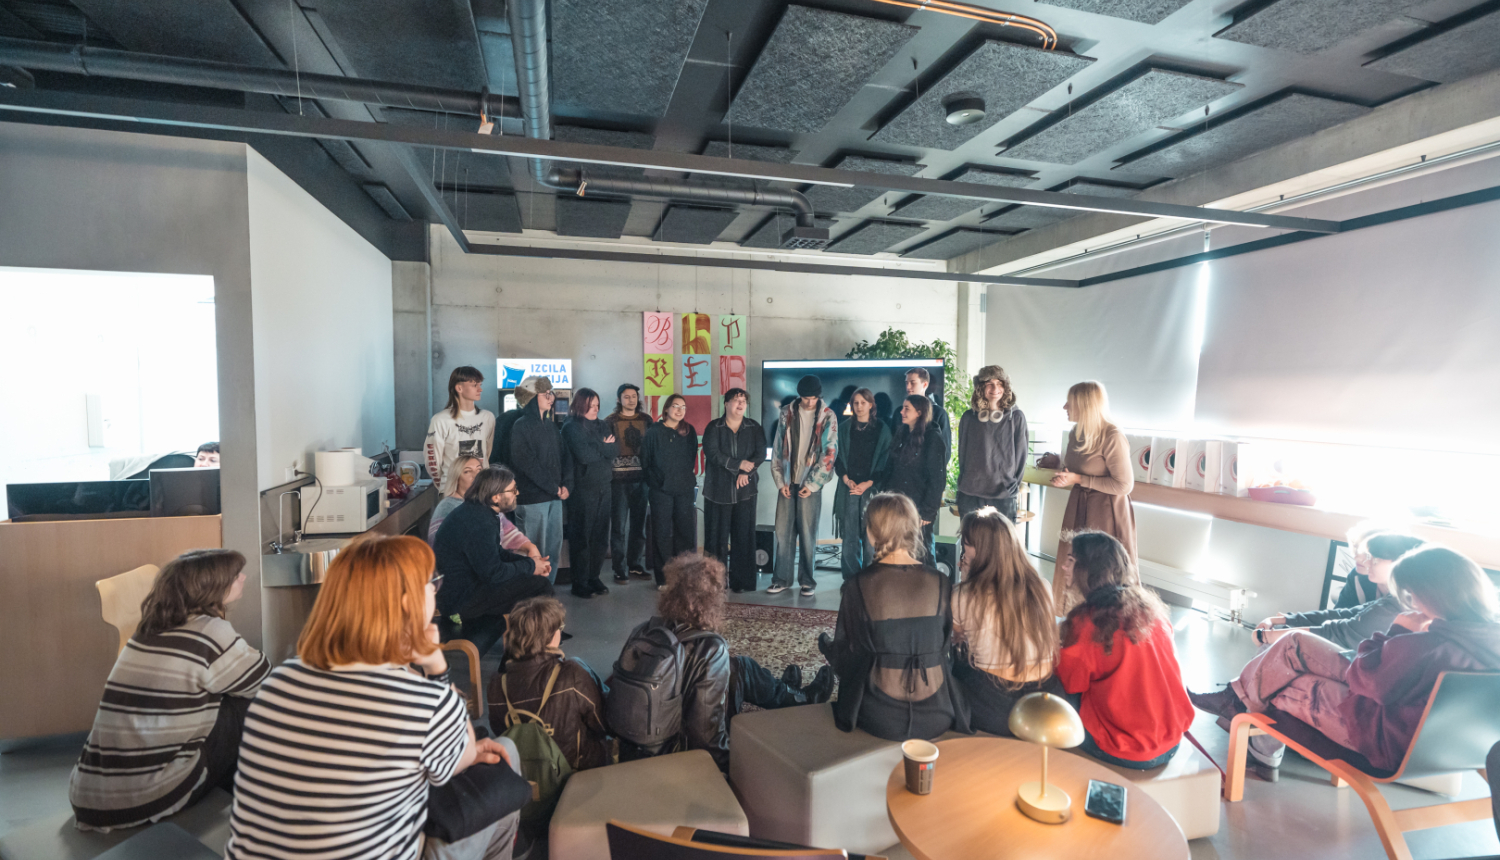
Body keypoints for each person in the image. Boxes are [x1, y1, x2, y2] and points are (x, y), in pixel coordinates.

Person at [226, 536, 527, 860]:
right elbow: (461, 756)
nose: (436, 591)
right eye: (431, 583)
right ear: (405, 603)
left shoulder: (278, 682)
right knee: (505, 752)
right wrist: (437, 667)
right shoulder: (427, 704)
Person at [1190, 545, 1500, 780]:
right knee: (1293, 647)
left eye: (1414, 595)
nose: (1412, 602)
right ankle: (1242, 716)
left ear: (1434, 594)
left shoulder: (1430, 644)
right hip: (1452, 748)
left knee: (1285, 683)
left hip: (1384, 743)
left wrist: (1397, 630)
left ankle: (1243, 722)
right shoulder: (1485, 638)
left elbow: (1369, 680)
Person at [69, 550, 268, 832]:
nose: (243, 578)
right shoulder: (211, 632)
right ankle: (254, 814)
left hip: (89, 795)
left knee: (221, 706)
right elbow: (266, 683)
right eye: (236, 576)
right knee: (248, 709)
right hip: (140, 800)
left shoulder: (147, 630)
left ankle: (227, 798)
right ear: (213, 587)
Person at [612, 552, 833, 773]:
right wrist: (737, 771)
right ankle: (800, 698)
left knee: (736, 667)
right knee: (740, 668)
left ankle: (786, 693)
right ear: (710, 601)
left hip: (637, 752)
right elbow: (706, 738)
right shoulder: (710, 648)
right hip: (679, 759)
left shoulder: (644, 629)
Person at [818, 493, 968, 741]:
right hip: (939, 712)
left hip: (879, 715)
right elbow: (944, 649)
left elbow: (846, 658)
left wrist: (827, 648)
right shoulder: (941, 582)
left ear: (872, 532)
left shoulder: (858, 586)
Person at [1056, 530, 1193, 769]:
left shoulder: (1088, 623)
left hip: (1123, 748)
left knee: (1049, 690)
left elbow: (1070, 683)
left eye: (1070, 560)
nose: (1064, 567)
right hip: (1170, 742)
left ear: (1087, 569)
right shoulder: (1151, 610)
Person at [951, 508, 1061, 736]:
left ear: (982, 550)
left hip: (993, 703)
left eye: (967, 543)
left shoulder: (963, 595)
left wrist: (964, 578)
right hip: (1043, 701)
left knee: (953, 667)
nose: (963, 547)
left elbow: (956, 638)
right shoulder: (1043, 587)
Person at [1039, 381, 1136, 613]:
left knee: (1098, 569)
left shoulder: (1112, 436)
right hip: (1079, 504)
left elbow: (1124, 485)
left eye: (1069, 402)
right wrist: (1064, 474)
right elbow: (1077, 469)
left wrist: (1079, 480)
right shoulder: (1076, 432)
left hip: (1105, 511)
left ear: (1085, 405)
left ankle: (1106, 619)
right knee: (1074, 562)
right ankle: (1075, 616)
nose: (1064, 407)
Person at [488, 597, 610, 772]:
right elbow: (602, 723)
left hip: (526, 773)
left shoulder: (497, 684)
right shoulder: (572, 674)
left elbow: (502, 733)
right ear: (552, 635)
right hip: (577, 770)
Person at [1253, 533, 1424, 650]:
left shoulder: (1399, 605)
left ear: (1400, 562)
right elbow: (1344, 614)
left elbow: (1339, 633)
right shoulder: (1398, 597)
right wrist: (1285, 619)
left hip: (1370, 673)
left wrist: (1266, 636)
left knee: (1289, 649)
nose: (1366, 562)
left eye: (1375, 559)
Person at [433, 466, 555, 626]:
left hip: (467, 590)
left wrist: (534, 564)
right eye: (513, 490)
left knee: (533, 579)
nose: (517, 493)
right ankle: (542, 639)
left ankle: (540, 636)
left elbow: (497, 553)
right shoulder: (479, 522)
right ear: (496, 497)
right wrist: (531, 566)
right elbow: (493, 573)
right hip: (459, 604)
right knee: (540, 586)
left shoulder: (479, 512)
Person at [769, 374, 838, 597]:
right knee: (783, 532)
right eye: (806, 398)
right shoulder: (786, 414)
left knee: (808, 534)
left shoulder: (829, 416)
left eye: (813, 398)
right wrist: (781, 482)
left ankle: (808, 581)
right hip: (788, 482)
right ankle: (781, 579)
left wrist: (814, 483)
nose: (809, 402)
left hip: (811, 485)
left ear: (819, 395)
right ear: (800, 396)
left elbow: (829, 452)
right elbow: (778, 450)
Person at [427, 454, 544, 568]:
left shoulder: (484, 502)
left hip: (493, 560)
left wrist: (530, 547)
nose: (475, 475)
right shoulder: (447, 506)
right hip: (467, 571)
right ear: (456, 478)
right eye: (467, 471)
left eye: (479, 470)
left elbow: (508, 531)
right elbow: (439, 550)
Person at [702, 388, 767, 593]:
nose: (740, 404)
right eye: (736, 400)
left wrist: (745, 472)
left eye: (743, 401)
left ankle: (743, 582)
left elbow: (760, 454)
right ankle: (715, 583)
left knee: (744, 536)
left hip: (745, 489)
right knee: (716, 538)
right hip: (718, 490)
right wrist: (738, 465)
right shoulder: (714, 427)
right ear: (726, 404)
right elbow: (713, 454)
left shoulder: (754, 427)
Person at [509, 375, 572, 578]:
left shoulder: (551, 425)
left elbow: (564, 457)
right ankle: (531, 600)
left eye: (551, 393)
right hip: (532, 500)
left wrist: (566, 486)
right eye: (545, 394)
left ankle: (546, 595)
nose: (551, 397)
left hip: (554, 497)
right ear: (531, 397)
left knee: (552, 551)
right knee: (533, 554)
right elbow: (527, 464)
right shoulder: (521, 425)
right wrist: (553, 487)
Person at [561, 387, 618, 598]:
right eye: (590, 405)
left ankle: (594, 577)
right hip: (583, 490)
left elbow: (614, 450)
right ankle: (580, 581)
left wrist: (601, 447)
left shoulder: (603, 424)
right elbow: (584, 456)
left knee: (601, 536)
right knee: (582, 537)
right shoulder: (571, 427)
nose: (595, 409)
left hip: (605, 485)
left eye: (597, 405)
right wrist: (602, 446)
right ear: (580, 404)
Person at [955, 366, 1028, 523]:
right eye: (989, 383)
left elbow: (1021, 457)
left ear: (1006, 387)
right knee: (970, 544)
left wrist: (1012, 487)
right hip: (970, 493)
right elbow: (962, 455)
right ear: (980, 387)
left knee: (1002, 545)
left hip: (1003, 494)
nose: (995, 388)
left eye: (999, 383)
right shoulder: (968, 418)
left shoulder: (1016, 418)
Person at [641, 394, 699, 590]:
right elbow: (645, 461)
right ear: (666, 409)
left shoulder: (688, 431)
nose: (680, 410)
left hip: (684, 488)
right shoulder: (654, 432)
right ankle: (664, 578)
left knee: (685, 533)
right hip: (661, 491)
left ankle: (684, 576)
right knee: (662, 533)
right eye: (675, 406)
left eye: (683, 407)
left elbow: (692, 457)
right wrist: (656, 482)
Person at [880, 394, 948, 560]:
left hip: (919, 507)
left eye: (906, 408)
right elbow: (890, 468)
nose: (901, 411)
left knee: (922, 553)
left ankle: (929, 586)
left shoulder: (933, 437)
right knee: (897, 551)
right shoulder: (902, 432)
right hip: (896, 504)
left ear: (919, 412)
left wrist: (928, 512)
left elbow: (937, 479)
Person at [834, 388, 891, 580]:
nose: (859, 407)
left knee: (870, 536)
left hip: (871, 488)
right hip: (848, 487)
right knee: (849, 535)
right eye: (855, 403)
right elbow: (836, 457)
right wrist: (845, 479)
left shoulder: (882, 429)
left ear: (871, 405)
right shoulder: (843, 428)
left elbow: (886, 459)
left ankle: (869, 578)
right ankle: (850, 580)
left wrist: (869, 482)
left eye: (863, 403)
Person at [606, 383, 652, 583]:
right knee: (618, 527)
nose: (631, 400)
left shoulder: (647, 420)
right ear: (619, 399)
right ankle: (619, 568)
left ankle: (635, 564)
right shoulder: (609, 421)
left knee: (638, 526)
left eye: (634, 396)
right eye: (626, 397)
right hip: (618, 481)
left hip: (642, 480)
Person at [426, 366, 496, 496]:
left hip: (481, 491)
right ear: (459, 388)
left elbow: (487, 452)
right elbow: (432, 459)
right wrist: (445, 487)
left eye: (480, 384)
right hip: (452, 492)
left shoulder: (487, 417)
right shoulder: (441, 420)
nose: (480, 389)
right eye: (475, 385)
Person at [1335, 521, 1394, 609]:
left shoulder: (1407, 591)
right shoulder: (1356, 576)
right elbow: (1339, 613)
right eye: (1355, 548)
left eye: (1365, 552)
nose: (1356, 557)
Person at [901, 367, 950, 448]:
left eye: (913, 383)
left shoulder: (939, 413)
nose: (908, 387)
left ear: (925, 385)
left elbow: (945, 450)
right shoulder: (899, 412)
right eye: (907, 383)